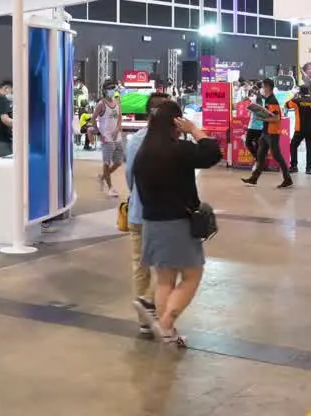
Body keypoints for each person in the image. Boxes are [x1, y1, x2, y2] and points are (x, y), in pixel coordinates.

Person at [132, 101, 223, 347]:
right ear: (176, 122)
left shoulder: (143, 153)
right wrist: (195, 130)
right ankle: (166, 324)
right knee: (193, 274)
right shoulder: (178, 149)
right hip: (178, 224)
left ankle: (168, 334)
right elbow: (213, 153)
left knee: (165, 280)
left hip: (152, 222)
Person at [123, 91, 172, 338]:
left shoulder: (135, 141)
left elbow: (130, 177)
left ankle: (144, 319)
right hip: (164, 216)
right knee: (169, 265)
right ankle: (152, 306)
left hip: (138, 212)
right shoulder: (172, 142)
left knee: (140, 266)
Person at [241, 78, 293, 189]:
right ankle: (254, 179)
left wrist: (263, 119)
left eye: (263, 86)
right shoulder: (268, 99)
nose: (262, 89)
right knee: (260, 156)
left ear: (268, 87)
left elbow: (276, 118)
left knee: (277, 156)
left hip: (272, 133)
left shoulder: (273, 100)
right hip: (265, 132)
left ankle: (287, 179)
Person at [94, 80, 124, 198]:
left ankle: (102, 177)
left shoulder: (117, 102)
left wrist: (118, 128)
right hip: (106, 138)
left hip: (117, 137)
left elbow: (120, 117)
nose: (112, 91)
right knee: (107, 162)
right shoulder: (101, 104)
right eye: (109, 89)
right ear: (105, 91)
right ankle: (110, 188)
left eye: (113, 88)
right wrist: (100, 134)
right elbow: (93, 119)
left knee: (118, 162)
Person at [286, 84, 311, 175]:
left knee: (293, 146)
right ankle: (308, 169)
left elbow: (287, 105)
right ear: (308, 91)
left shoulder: (296, 101)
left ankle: (294, 166)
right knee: (309, 147)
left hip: (300, 129)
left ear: (300, 92)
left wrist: (294, 96)